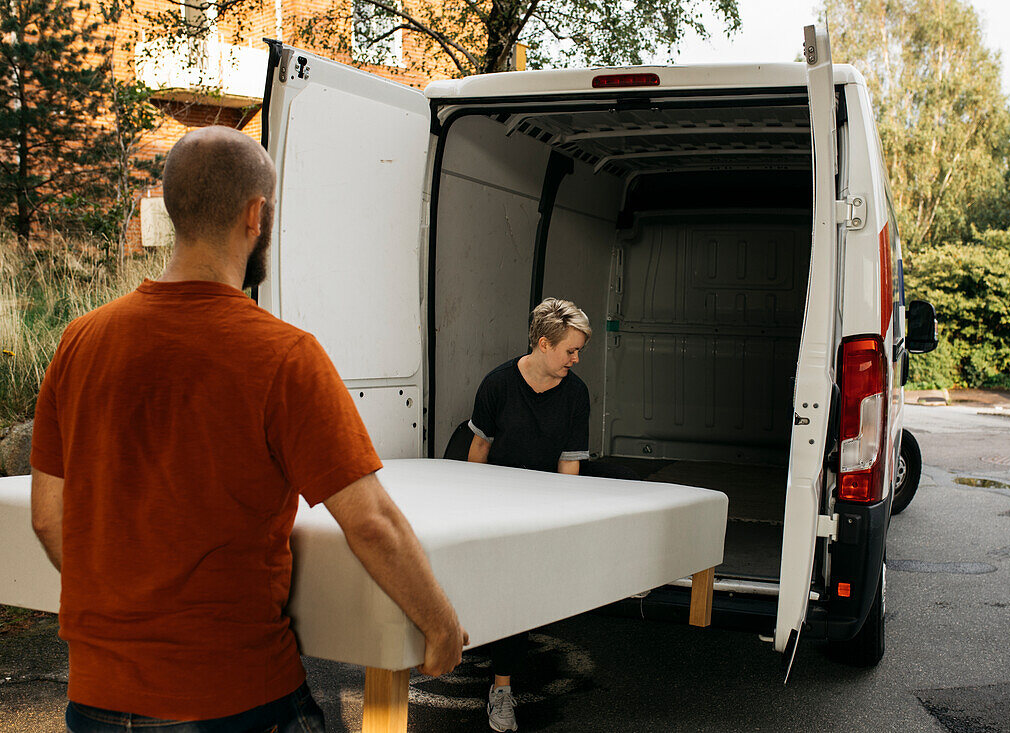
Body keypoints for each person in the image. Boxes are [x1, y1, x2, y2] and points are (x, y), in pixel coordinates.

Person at [29, 126, 467, 731]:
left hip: (96, 699)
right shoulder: (281, 354)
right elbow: (370, 521)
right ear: (256, 214)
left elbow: (49, 517)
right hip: (231, 696)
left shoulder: (79, 341)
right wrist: (441, 625)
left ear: (176, 209)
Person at [466, 297, 592, 732]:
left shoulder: (576, 393)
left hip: (541, 505)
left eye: (578, 351)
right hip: (496, 504)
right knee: (500, 594)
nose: (576, 359)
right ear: (543, 343)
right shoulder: (498, 384)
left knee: (517, 596)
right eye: (570, 350)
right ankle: (497, 683)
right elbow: (479, 449)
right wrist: (471, 512)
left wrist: (564, 524)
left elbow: (569, 463)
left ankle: (501, 687)